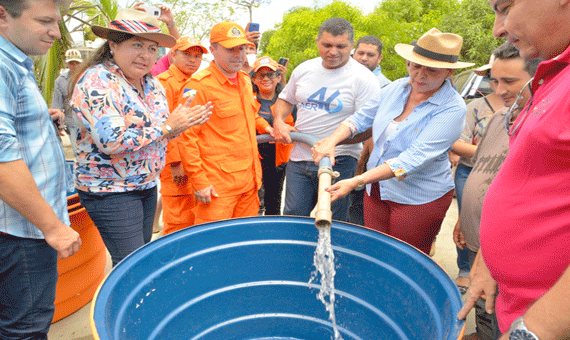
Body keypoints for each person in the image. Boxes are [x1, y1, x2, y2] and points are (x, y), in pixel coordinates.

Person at [457, 1, 570, 339]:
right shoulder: (553, 77)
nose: (497, 29)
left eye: (504, 7)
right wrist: (492, 258)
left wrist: (534, 331)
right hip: (513, 301)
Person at [69, 8, 212, 266]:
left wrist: (182, 124)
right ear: (113, 44)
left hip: (145, 185)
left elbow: (157, 135)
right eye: (137, 45)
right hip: (111, 190)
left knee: (139, 257)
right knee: (131, 263)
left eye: (152, 47)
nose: (146, 55)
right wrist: (168, 127)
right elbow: (112, 141)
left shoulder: (152, 84)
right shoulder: (99, 81)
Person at [312, 28, 474, 255]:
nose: (420, 75)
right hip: (377, 189)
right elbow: (361, 118)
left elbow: (410, 160)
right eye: (415, 66)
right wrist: (332, 140)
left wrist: (356, 180)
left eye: (431, 70)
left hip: (418, 197)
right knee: (376, 250)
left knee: (406, 257)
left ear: (448, 72)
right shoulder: (397, 87)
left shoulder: (452, 108)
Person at [0, 0, 82, 338]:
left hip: (23, 228)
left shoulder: (17, 63)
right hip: (23, 231)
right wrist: (54, 227)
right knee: (26, 328)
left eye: (57, 21)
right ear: (2, 15)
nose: (55, 32)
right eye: (44, 21)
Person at [454, 42, 539, 340]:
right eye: (495, 80)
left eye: (510, 81)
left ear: (537, 78)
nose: (500, 89)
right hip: (479, 237)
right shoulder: (497, 119)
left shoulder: (540, 129)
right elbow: (480, 171)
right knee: (481, 300)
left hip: (509, 248)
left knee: (504, 308)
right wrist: (462, 219)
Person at [273, 17, 381, 222]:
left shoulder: (364, 79)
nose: (333, 51)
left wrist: (331, 142)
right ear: (317, 42)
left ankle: (328, 254)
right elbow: (285, 99)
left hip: (340, 160)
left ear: (351, 45)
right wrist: (279, 121)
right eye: (327, 45)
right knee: (293, 216)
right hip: (299, 158)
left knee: (332, 218)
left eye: (341, 46)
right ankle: (295, 253)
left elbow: (370, 126)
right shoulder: (304, 69)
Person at [177, 21, 273, 224]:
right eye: (231, 49)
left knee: (245, 243)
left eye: (242, 48)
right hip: (217, 189)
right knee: (213, 247)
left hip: (249, 182)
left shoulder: (246, 81)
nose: (238, 54)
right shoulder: (198, 86)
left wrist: (267, 128)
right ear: (213, 50)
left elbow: (251, 115)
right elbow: (186, 138)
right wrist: (200, 182)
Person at [449, 56, 505, 294]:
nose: (500, 86)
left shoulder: (527, 108)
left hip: (503, 176)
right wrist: (493, 157)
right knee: (467, 220)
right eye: (495, 79)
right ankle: (465, 269)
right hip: (469, 172)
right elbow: (457, 143)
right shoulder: (476, 107)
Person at [156, 36, 208, 235]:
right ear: (172, 55)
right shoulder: (163, 83)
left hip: (195, 163)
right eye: (187, 54)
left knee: (194, 219)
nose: (193, 60)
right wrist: (176, 162)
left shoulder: (196, 82)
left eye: (197, 56)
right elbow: (165, 126)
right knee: (177, 222)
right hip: (176, 167)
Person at [349, 35, 392, 226]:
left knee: (358, 210)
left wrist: (364, 158)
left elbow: (378, 128)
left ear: (380, 58)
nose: (364, 58)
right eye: (361, 53)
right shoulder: (343, 77)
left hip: (367, 158)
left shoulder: (387, 87)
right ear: (354, 53)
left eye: (370, 54)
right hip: (343, 151)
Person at [251, 56, 296, 215]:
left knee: (274, 202)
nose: (265, 78)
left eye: (270, 74)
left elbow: (298, 129)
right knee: (253, 202)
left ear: (278, 77)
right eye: (260, 75)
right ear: (254, 79)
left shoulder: (288, 103)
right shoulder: (248, 100)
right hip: (252, 160)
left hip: (279, 161)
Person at [51, 48, 83, 140]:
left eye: (77, 63)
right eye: (71, 63)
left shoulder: (89, 78)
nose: (74, 66)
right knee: (77, 151)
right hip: (72, 123)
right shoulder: (60, 81)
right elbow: (57, 105)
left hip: (88, 122)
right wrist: (58, 124)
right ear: (67, 64)